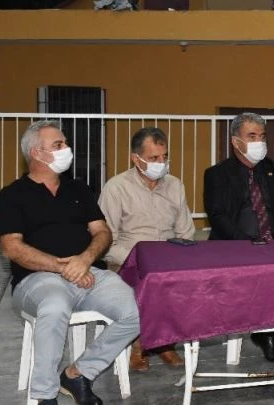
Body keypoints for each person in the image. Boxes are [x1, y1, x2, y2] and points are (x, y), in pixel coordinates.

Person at [0, 120, 140, 405]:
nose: (67, 149)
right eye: (58, 144)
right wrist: (64, 268)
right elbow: (12, 248)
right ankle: (45, 394)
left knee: (138, 310)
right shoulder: (12, 195)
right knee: (54, 306)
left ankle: (78, 373)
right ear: (36, 153)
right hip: (37, 279)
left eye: (65, 143)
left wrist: (85, 259)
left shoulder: (78, 189)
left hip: (89, 272)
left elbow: (102, 232)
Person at [203, 112, 274, 362]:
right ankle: (266, 331)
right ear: (235, 142)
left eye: (262, 136)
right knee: (259, 273)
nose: (259, 142)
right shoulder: (216, 174)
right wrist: (245, 245)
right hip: (236, 247)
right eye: (252, 136)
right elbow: (217, 216)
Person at [99, 127, 195, 371]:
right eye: (153, 158)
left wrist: (179, 257)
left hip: (168, 259)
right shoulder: (116, 188)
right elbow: (105, 240)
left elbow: (185, 232)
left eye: (164, 156)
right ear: (136, 158)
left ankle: (165, 342)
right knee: (145, 282)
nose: (161, 163)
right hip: (127, 261)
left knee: (190, 282)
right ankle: (138, 345)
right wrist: (136, 259)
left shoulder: (175, 185)